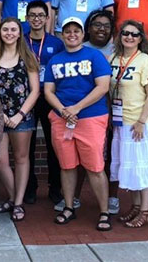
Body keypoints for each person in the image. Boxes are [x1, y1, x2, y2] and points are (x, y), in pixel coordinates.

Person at [44, 16, 112, 231]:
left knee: (95, 167)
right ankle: (69, 207)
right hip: (62, 119)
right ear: (62, 35)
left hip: (90, 117)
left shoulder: (95, 56)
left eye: (76, 31)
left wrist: (76, 108)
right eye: (67, 31)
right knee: (67, 166)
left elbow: (102, 87)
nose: (72, 34)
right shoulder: (56, 60)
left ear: (83, 34)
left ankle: (104, 211)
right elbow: (48, 91)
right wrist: (64, 111)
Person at [109, 20, 148, 228]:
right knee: (129, 166)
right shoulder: (113, 58)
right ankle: (134, 207)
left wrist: (141, 121)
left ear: (141, 39)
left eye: (134, 34)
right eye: (125, 33)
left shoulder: (145, 61)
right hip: (120, 122)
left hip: (139, 123)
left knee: (141, 166)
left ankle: (144, 211)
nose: (129, 37)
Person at [0, 17, 40, 221]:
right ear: (0, 32)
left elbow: (35, 91)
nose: (9, 33)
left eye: (13, 29)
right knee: (0, 161)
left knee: (21, 158)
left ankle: (17, 203)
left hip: (21, 117)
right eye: (5, 29)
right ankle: (14, 196)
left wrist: (20, 115)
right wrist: (0, 113)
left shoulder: (28, 57)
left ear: (19, 33)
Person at [70, 9, 119, 214]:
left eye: (106, 26)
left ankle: (112, 198)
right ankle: (75, 196)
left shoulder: (119, 49)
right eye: (97, 25)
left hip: (116, 110)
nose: (102, 29)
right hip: (88, 112)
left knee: (111, 156)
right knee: (83, 157)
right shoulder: (81, 48)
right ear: (88, 28)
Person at [21, 1, 65, 206]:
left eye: (40, 15)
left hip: (50, 98)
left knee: (53, 143)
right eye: (32, 15)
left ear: (48, 18)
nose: (36, 19)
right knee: (26, 146)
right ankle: (30, 188)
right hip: (28, 98)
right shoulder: (21, 41)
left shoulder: (56, 43)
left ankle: (55, 188)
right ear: (27, 18)